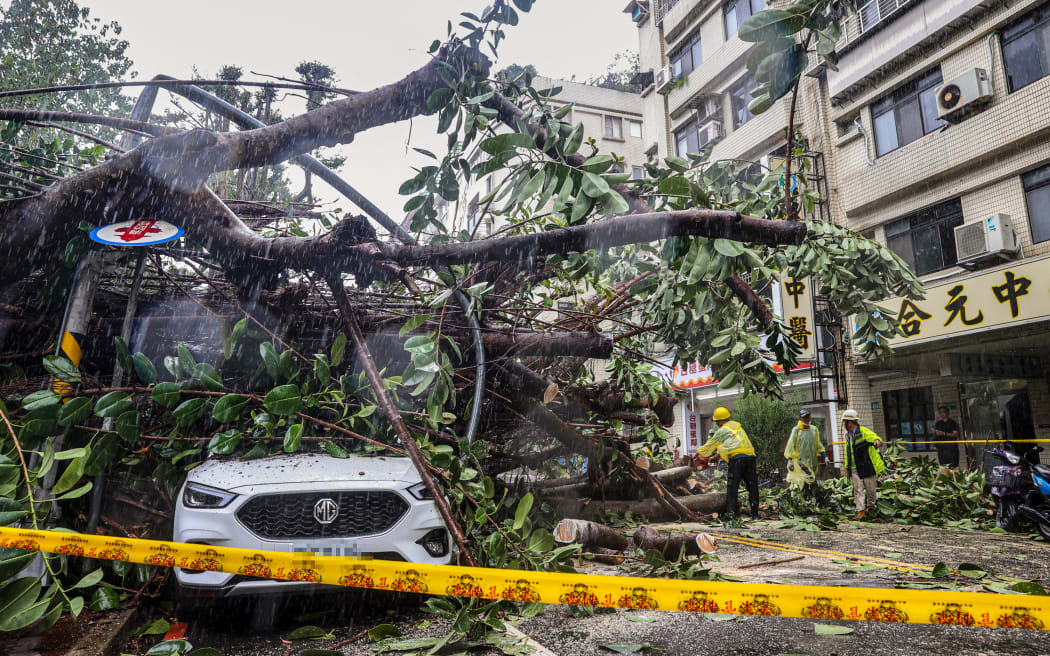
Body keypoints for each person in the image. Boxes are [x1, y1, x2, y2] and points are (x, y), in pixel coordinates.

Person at [696, 407, 759, 521]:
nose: (717, 424)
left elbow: (709, 446)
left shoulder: (722, 430)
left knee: (732, 487)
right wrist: (717, 456)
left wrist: (696, 454)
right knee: (752, 486)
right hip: (750, 458)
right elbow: (732, 445)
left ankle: (731, 514)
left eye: (716, 422)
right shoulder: (738, 428)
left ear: (720, 421)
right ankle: (755, 515)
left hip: (737, 460)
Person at [841, 409, 885, 520]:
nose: (843, 424)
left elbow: (874, 437)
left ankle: (871, 508)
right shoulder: (847, 436)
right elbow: (848, 452)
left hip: (867, 466)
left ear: (850, 422)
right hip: (855, 467)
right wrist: (847, 466)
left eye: (845, 422)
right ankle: (860, 510)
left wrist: (877, 442)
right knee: (858, 489)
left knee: (871, 490)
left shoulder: (864, 432)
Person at [784, 409, 830, 504]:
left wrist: (825, 456)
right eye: (804, 417)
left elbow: (818, 444)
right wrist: (790, 460)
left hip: (812, 462)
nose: (807, 419)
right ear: (800, 418)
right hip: (800, 462)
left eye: (808, 416)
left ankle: (804, 502)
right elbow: (790, 446)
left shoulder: (814, 429)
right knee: (811, 480)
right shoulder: (796, 430)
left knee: (805, 483)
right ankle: (820, 501)